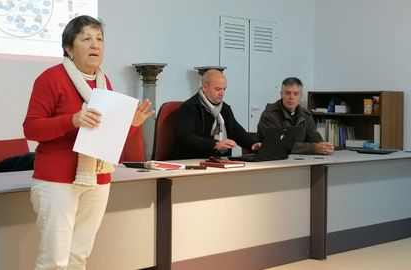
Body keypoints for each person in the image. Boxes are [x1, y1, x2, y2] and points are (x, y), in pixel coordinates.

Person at [23, 15, 153, 270]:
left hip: (97, 178)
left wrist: (133, 123)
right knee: (55, 261)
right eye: (86, 39)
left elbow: (106, 137)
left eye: (99, 39)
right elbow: (31, 128)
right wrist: (71, 120)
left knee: (78, 257)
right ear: (69, 49)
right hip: (56, 181)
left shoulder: (105, 84)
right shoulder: (51, 78)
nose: (95, 45)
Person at [173, 69, 259, 159]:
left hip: (220, 161)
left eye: (224, 89)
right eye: (218, 89)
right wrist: (215, 144)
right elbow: (186, 138)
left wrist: (253, 144)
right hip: (193, 160)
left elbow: (237, 131)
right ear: (204, 87)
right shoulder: (189, 107)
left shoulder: (224, 108)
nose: (222, 93)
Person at [256, 77, 334, 155]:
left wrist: (324, 146)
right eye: (287, 93)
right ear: (281, 94)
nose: (291, 98)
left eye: (296, 94)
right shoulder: (269, 114)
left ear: (301, 96)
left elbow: (314, 137)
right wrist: (314, 148)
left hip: (298, 160)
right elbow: (279, 145)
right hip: (271, 159)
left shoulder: (306, 114)